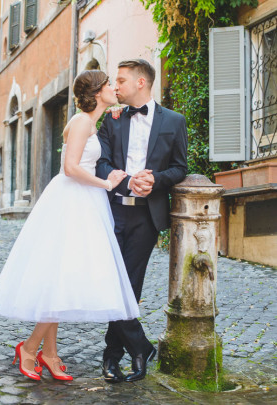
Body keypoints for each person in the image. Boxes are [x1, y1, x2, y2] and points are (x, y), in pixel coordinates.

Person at [0, 70, 140, 382]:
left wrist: (114, 112)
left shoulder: (88, 120)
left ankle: (49, 353)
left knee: (61, 280)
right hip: (73, 202)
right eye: (110, 84)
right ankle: (30, 348)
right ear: (97, 92)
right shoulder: (82, 122)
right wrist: (106, 183)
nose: (114, 88)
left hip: (82, 201)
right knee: (62, 277)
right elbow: (70, 168)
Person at [96, 59, 188, 383]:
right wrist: (125, 182)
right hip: (113, 210)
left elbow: (180, 168)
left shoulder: (174, 122)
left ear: (141, 83)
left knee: (129, 287)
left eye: (121, 80)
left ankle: (112, 357)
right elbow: (101, 164)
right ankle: (140, 346)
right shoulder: (112, 120)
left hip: (146, 217)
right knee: (110, 284)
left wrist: (155, 179)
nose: (115, 86)